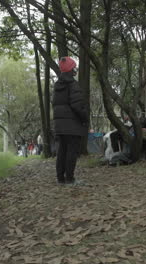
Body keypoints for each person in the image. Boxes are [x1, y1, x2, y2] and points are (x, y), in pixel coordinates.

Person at [53, 56, 88, 184]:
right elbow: (77, 106)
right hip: (72, 126)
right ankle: (70, 179)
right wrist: (84, 118)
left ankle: (60, 178)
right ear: (71, 70)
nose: (76, 70)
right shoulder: (73, 85)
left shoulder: (57, 86)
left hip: (60, 126)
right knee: (71, 152)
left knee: (61, 151)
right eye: (74, 68)